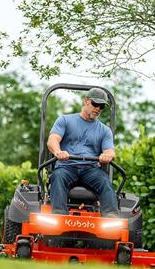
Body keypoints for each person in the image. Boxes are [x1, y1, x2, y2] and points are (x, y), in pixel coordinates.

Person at [47, 87, 120, 218]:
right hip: (66, 167)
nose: (98, 108)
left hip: (90, 169)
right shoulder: (65, 120)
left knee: (105, 181)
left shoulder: (104, 130)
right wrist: (58, 152)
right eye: (95, 104)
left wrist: (107, 155)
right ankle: (59, 217)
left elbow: (110, 151)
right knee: (57, 177)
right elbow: (53, 140)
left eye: (102, 106)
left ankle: (111, 218)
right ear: (86, 101)